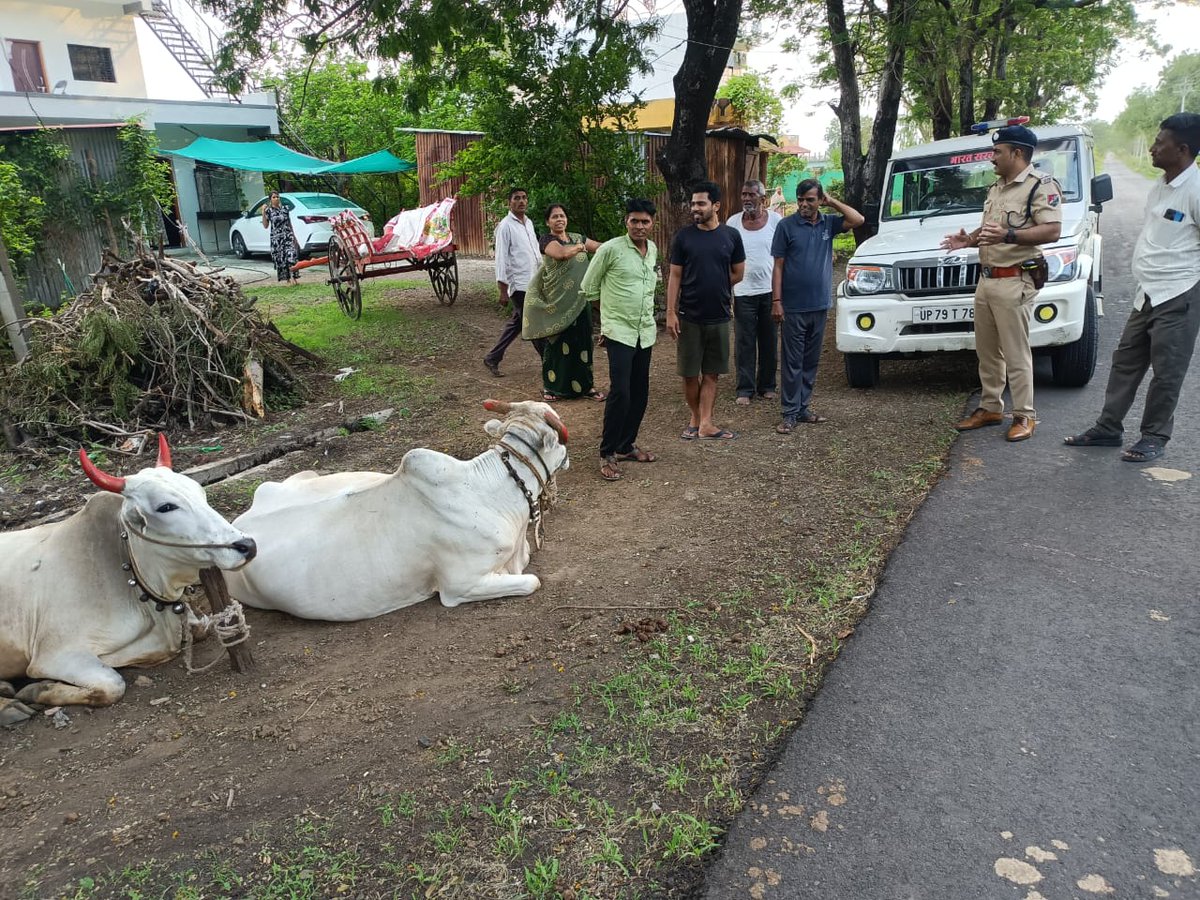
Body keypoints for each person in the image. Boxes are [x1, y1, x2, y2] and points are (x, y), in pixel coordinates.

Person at [1064, 112, 1200, 463]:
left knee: (1167, 370)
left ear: (1182, 149)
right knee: (1125, 361)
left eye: (1160, 143)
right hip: (1148, 293)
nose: (1153, 148)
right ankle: (1108, 428)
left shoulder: (1195, 190)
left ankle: (1154, 436)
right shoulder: (1161, 186)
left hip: (1179, 293)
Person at [941, 124, 1062, 442]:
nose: (992, 158)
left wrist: (1010, 235)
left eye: (997, 152)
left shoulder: (1039, 186)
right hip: (987, 280)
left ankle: (1024, 415)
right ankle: (991, 407)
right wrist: (966, 240)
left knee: (1016, 352)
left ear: (1017, 153)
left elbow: (1052, 230)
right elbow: (989, 229)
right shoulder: (996, 188)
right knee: (987, 352)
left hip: (1014, 280)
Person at [770, 179, 864, 433]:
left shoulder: (828, 223)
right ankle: (789, 413)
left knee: (810, 360)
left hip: (819, 305)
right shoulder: (786, 226)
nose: (803, 204)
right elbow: (778, 266)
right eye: (800, 199)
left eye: (810, 199)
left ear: (819, 200)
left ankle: (802, 409)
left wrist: (832, 201)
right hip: (793, 306)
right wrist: (776, 301)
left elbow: (858, 220)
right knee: (792, 361)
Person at [581, 199, 660, 482]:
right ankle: (607, 452)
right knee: (621, 393)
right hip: (619, 333)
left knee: (640, 392)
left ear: (652, 224)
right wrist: (609, 320)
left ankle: (626, 445)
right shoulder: (610, 249)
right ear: (626, 222)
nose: (639, 226)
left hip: (645, 332)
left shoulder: (652, 251)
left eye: (645, 221)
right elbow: (589, 288)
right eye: (634, 221)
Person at [667, 181, 745, 441]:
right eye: (693, 203)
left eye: (700, 203)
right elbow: (675, 276)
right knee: (689, 374)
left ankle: (707, 423)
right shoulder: (684, 237)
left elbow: (738, 273)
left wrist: (716, 284)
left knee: (712, 373)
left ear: (716, 206)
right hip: (689, 316)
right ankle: (695, 417)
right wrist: (670, 312)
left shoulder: (731, 236)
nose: (694, 208)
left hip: (720, 316)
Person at [521, 203, 607, 402]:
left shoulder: (578, 237)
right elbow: (561, 254)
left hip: (580, 300)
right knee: (557, 343)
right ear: (548, 222)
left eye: (562, 216)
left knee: (584, 342)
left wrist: (619, 246)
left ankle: (586, 387)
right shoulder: (547, 240)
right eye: (554, 217)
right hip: (557, 302)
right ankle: (552, 387)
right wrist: (581, 247)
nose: (559, 219)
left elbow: (601, 248)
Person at [727, 179, 782, 405]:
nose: (746, 199)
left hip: (770, 291)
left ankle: (767, 385)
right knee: (744, 341)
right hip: (743, 291)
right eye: (743, 194)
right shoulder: (733, 223)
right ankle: (745, 389)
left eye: (751, 194)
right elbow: (727, 256)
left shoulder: (776, 221)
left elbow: (781, 257)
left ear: (762, 198)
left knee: (769, 339)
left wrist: (781, 294)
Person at [484, 187, 543, 377]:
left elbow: (535, 252)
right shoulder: (505, 226)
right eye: (517, 198)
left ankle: (492, 357)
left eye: (524, 198)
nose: (521, 201)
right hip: (518, 284)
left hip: (533, 281)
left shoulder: (529, 223)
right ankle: (549, 360)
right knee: (532, 322)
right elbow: (501, 258)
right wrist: (503, 288)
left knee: (518, 323)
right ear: (509, 202)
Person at [262, 190, 299, 284]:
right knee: (281, 259)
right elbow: (265, 225)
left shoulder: (285, 209)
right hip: (276, 239)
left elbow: (289, 223)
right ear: (270, 199)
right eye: (274, 197)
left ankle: (294, 278)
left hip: (287, 236)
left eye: (277, 197)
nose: (276, 198)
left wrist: (294, 236)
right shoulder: (268, 211)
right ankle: (287, 280)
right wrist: (263, 212)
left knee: (291, 256)